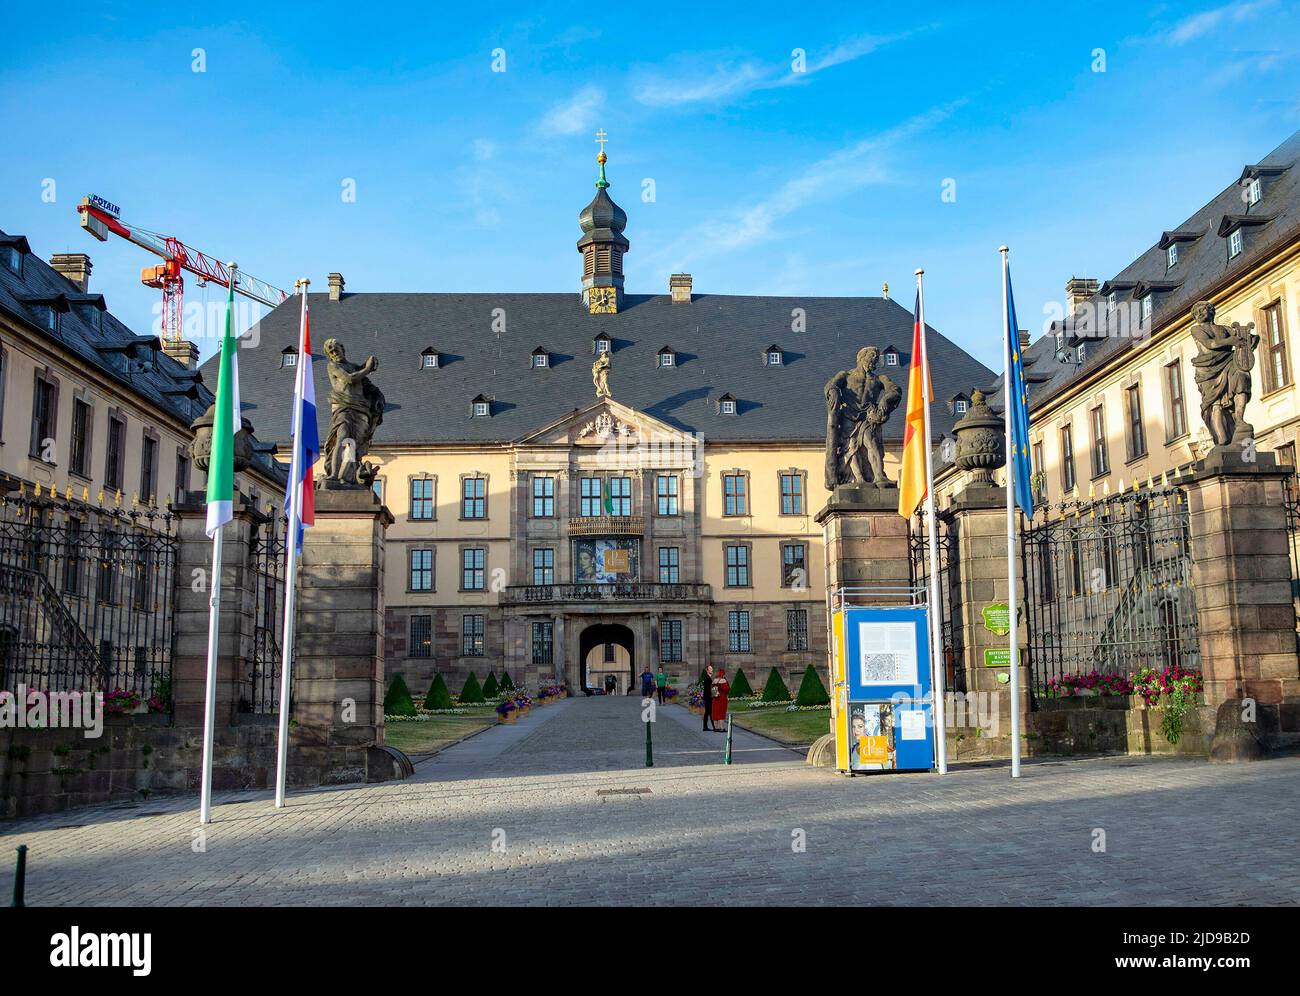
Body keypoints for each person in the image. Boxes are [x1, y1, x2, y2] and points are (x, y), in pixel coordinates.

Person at [710, 667, 730, 732]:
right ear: (723, 674)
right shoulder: (723, 680)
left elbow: (712, 690)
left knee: (715, 712)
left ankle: (716, 728)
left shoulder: (714, 680)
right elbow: (727, 690)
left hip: (715, 698)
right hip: (722, 698)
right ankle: (722, 728)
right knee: (721, 712)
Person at [700, 664, 714, 732]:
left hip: (708, 697)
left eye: (712, 668)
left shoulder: (709, 678)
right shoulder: (707, 678)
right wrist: (713, 694)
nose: (712, 670)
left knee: (708, 712)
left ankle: (705, 727)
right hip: (708, 698)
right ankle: (712, 726)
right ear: (707, 670)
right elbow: (708, 689)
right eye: (710, 669)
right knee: (709, 712)